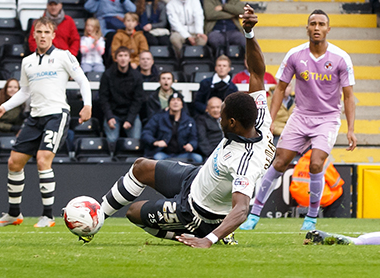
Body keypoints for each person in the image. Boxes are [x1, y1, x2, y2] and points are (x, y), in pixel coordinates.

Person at [98, 5, 276, 248]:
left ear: (233, 122)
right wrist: (248, 34)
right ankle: (95, 218)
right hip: (195, 177)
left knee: (133, 212)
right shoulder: (259, 116)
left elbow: (242, 209)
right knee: (140, 166)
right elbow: (257, 70)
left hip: (196, 212)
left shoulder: (245, 161)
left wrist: (210, 239)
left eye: (222, 116)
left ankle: (205, 235)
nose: (218, 119)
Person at [240, 9, 357, 231]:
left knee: (315, 163)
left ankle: (311, 218)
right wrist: (269, 121)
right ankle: (254, 215)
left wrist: (351, 129)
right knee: (279, 162)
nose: (317, 28)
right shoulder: (295, 55)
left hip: (328, 119)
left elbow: (349, 95)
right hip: (300, 116)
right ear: (307, 28)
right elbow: (280, 89)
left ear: (328, 29)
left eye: (321, 24)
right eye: (313, 23)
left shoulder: (341, 58)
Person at [0, 17, 93, 228]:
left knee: (42, 159)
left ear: (53, 35)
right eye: (39, 32)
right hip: (34, 117)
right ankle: (14, 214)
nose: (43, 36)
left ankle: (48, 216)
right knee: (14, 162)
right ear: (34, 35)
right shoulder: (27, 61)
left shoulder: (64, 56)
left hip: (57, 114)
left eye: (47, 32)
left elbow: (82, 80)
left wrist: (87, 105)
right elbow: (24, 91)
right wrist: (4, 107)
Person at [99, 46, 146, 143]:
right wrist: (109, 116)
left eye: (125, 55)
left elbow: (138, 100)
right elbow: (103, 98)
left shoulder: (137, 76)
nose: (123, 58)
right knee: (111, 141)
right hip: (113, 113)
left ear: (129, 58)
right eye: (120, 55)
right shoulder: (107, 75)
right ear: (116, 58)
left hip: (131, 113)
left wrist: (130, 119)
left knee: (135, 141)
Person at [141, 92, 202, 163]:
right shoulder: (158, 118)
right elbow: (146, 133)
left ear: (182, 105)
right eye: (173, 100)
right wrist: (155, 142)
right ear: (169, 104)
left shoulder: (189, 121)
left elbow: (194, 138)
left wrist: (191, 145)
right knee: (157, 158)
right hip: (163, 154)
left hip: (182, 154)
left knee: (198, 158)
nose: (175, 102)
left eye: (178, 100)